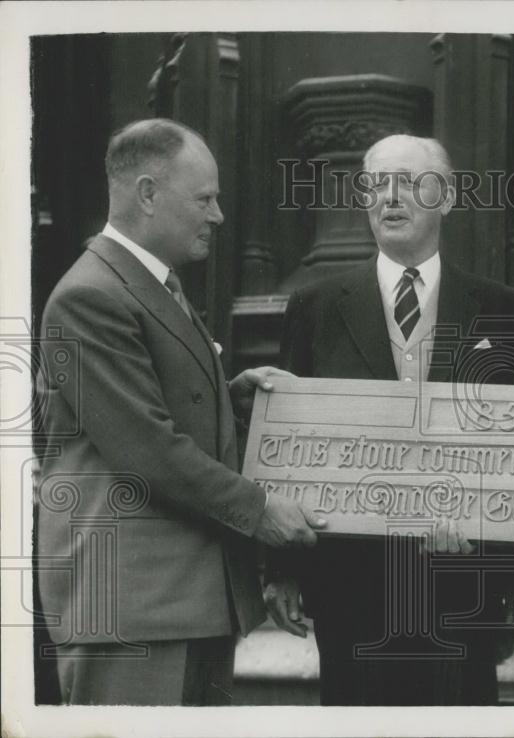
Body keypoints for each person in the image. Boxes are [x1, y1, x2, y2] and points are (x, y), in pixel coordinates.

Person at [35, 118, 327, 706]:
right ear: (147, 194)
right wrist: (261, 509)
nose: (218, 215)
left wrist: (228, 393)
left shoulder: (147, 282)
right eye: (205, 199)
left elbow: (154, 403)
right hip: (134, 607)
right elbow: (147, 449)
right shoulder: (90, 294)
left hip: (184, 601)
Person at [265, 134, 514, 705]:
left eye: (409, 182)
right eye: (377, 184)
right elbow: (288, 442)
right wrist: (279, 569)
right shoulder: (316, 307)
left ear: (447, 198)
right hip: (351, 585)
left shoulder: (503, 309)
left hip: (461, 585)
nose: (391, 197)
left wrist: (489, 545)